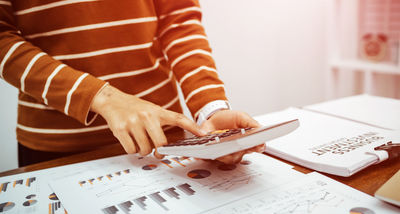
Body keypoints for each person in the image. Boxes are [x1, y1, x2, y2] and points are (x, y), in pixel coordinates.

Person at [0, 0, 264, 167]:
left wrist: (211, 109)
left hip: (163, 135)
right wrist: (100, 97)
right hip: (58, 148)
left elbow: (179, 21)